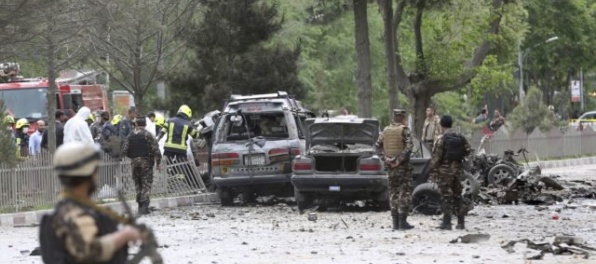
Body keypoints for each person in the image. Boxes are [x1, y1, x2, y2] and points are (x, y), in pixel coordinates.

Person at [39, 142, 142, 263]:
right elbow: (89, 252)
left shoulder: (70, 207)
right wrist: (125, 235)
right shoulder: (73, 212)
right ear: (90, 174)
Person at [375, 109, 414, 230]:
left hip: (391, 169)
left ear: (393, 117)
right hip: (403, 168)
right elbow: (409, 147)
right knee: (404, 193)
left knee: (393, 193)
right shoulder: (405, 130)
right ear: (403, 118)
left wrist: (386, 159)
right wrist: (399, 160)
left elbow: (377, 146)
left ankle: (395, 223)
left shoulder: (386, 130)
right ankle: (402, 223)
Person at [431, 115, 472, 230]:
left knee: (446, 195)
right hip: (457, 171)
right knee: (457, 195)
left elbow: (437, 156)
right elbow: (469, 151)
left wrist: (433, 170)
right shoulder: (460, 137)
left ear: (441, 125)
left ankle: (447, 222)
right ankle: (461, 222)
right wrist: (462, 162)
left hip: (444, 171)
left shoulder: (441, 138)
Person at [122, 116, 162, 215]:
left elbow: (124, 150)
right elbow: (156, 150)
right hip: (146, 162)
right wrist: (158, 163)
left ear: (136, 124)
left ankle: (140, 206)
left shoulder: (130, 135)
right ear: (145, 124)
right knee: (146, 183)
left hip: (134, 163)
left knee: (138, 184)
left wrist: (134, 157)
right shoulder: (148, 135)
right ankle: (144, 207)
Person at [157, 105, 199, 188]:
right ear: (187, 114)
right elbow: (195, 135)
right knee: (181, 167)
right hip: (181, 149)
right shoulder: (188, 124)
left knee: (166, 164)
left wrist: (157, 140)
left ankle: (165, 183)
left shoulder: (169, 120)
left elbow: (162, 132)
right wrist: (197, 129)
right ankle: (179, 184)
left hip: (168, 148)